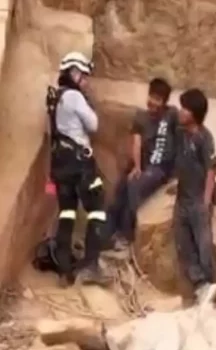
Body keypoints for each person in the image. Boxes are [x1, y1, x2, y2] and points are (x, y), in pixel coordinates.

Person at [44, 51, 107, 284]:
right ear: (74, 72)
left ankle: (64, 271)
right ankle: (91, 266)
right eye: (84, 76)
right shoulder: (74, 97)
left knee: (67, 214)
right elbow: (94, 125)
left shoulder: (55, 97)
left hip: (60, 164)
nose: (86, 81)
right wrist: (88, 100)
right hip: (80, 163)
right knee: (98, 208)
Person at [107, 77, 178, 250]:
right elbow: (136, 142)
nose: (152, 102)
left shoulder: (172, 114)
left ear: (164, 102)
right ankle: (107, 230)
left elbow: (182, 138)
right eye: (151, 96)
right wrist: (137, 167)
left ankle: (126, 235)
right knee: (121, 186)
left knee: (134, 185)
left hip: (160, 168)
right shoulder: (141, 117)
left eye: (158, 99)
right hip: (144, 165)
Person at [173, 87, 216, 305]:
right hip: (182, 198)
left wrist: (206, 201)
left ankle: (211, 283)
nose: (181, 112)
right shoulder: (181, 133)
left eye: (185, 108)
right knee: (183, 243)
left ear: (194, 114)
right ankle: (200, 285)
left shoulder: (204, 138)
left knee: (203, 243)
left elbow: (211, 170)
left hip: (198, 199)